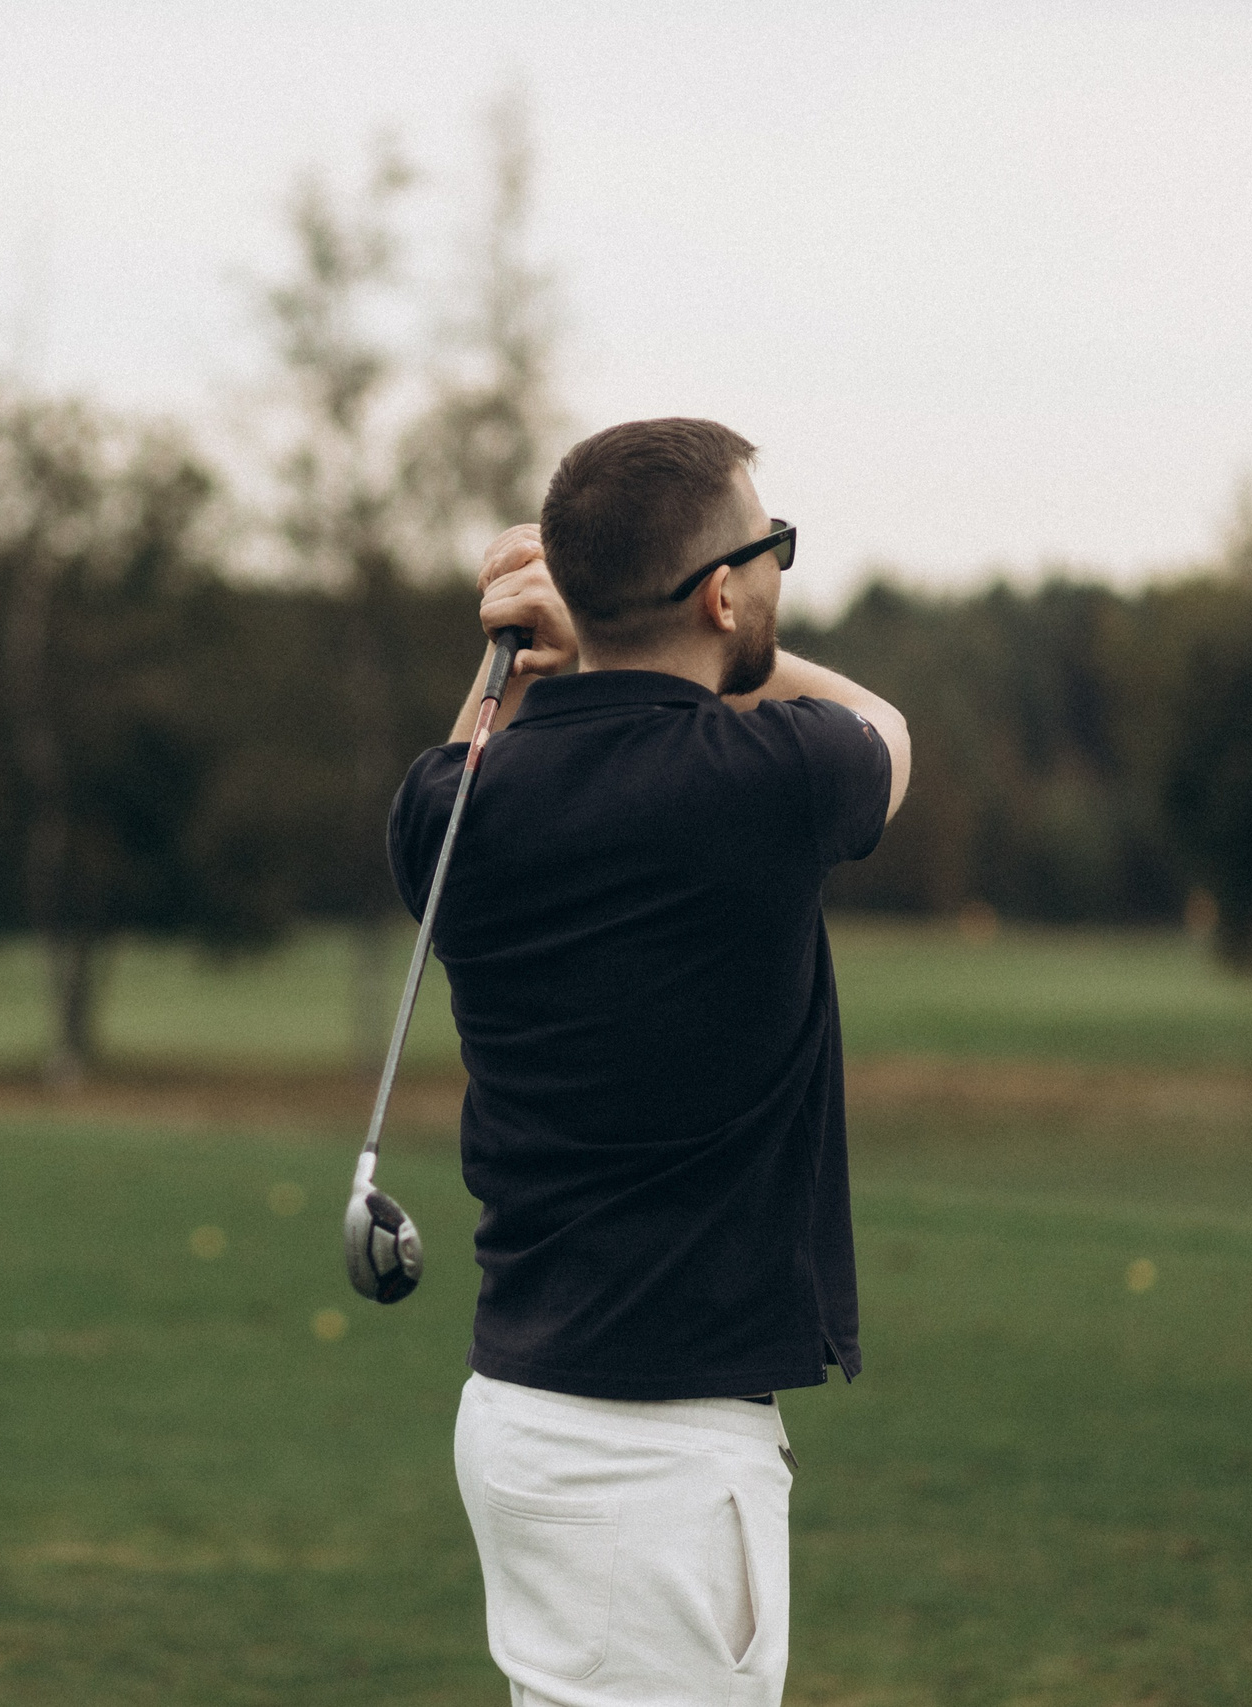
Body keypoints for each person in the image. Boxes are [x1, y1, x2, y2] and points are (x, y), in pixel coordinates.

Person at [390, 420, 911, 1706]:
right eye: (767, 550)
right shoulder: (768, 777)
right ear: (723, 590)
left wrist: (512, 657)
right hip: (661, 1459)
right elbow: (887, 730)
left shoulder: (455, 811)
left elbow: (456, 780)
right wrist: (745, 657)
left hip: (517, 1411)